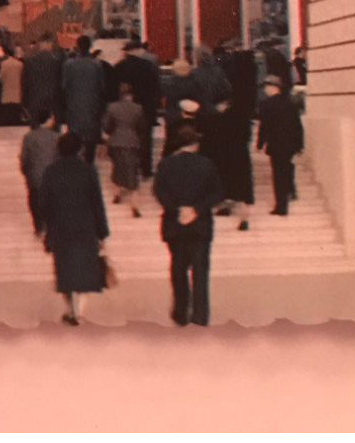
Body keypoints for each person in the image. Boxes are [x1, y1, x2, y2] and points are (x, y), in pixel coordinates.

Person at [153, 125, 226, 326]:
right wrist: (196, 209)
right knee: (200, 271)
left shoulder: (166, 165)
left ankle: (181, 310)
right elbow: (218, 193)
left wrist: (177, 209)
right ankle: (200, 315)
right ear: (195, 144)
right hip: (200, 224)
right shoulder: (207, 164)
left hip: (174, 225)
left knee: (178, 269)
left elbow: (159, 192)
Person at [38, 130, 110, 325]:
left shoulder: (51, 171)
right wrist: (102, 231)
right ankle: (79, 310)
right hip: (85, 226)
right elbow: (97, 203)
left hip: (60, 227)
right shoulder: (88, 170)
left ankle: (70, 308)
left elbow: (43, 202)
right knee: (86, 269)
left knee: (65, 269)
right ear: (79, 149)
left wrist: (44, 226)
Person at [200, 91, 254, 230]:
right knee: (242, 191)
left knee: (225, 185)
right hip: (241, 157)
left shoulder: (216, 119)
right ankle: (244, 219)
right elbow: (247, 137)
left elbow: (209, 140)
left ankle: (224, 208)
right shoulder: (243, 118)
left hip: (223, 159)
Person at [256, 75, 304, 216]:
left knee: (278, 175)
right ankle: (291, 190)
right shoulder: (290, 103)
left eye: (266, 87)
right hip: (289, 144)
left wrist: (260, 143)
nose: (265, 90)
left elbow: (264, 126)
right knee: (287, 168)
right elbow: (297, 126)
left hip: (276, 144)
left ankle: (281, 205)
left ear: (272, 87)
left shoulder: (265, 105)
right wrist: (299, 145)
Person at [115, 39, 161, 178]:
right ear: (137, 50)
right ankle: (146, 169)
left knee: (128, 138)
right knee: (145, 138)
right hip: (146, 107)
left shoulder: (120, 66)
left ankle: (130, 169)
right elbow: (155, 87)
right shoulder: (148, 65)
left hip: (127, 107)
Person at [102, 84, 147, 218]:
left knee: (117, 167)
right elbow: (142, 127)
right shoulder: (138, 108)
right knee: (132, 172)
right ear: (131, 95)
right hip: (132, 141)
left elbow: (106, 126)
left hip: (116, 141)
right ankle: (135, 206)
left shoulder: (112, 107)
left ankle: (117, 194)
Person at [61, 35, 105, 162]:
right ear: (90, 46)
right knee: (91, 137)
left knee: (75, 134)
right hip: (92, 105)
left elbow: (64, 86)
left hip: (74, 105)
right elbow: (101, 87)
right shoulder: (96, 64)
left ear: (77, 46)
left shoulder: (69, 65)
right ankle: (89, 162)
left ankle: (75, 161)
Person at [19, 111, 61, 236]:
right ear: (49, 120)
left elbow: (24, 158)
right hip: (53, 175)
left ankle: (39, 227)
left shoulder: (29, 137)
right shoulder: (57, 137)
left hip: (35, 175)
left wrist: (26, 172)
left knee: (34, 201)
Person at [22, 33, 63, 123]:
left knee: (35, 127)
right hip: (53, 98)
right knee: (54, 128)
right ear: (50, 44)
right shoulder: (57, 61)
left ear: (40, 44)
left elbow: (25, 82)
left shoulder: (30, 61)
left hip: (35, 98)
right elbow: (60, 82)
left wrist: (24, 100)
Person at [0, 45, 25, 127]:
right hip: (17, 89)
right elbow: (23, 77)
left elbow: (1, 77)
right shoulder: (20, 64)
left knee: (7, 108)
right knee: (16, 108)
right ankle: (16, 121)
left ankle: (7, 122)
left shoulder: (4, 64)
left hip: (7, 89)